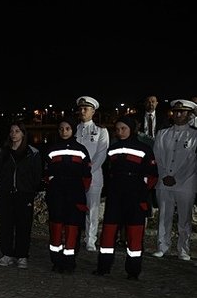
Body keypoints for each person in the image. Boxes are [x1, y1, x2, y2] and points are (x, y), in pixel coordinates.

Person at [93, 116, 158, 279]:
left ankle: (133, 271)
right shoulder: (112, 149)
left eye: (124, 128)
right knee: (108, 234)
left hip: (135, 198)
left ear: (131, 129)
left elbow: (152, 175)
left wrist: (141, 193)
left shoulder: (144, 149)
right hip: (115, 197)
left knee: (134, 236)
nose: (120, 132)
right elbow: (108, 172)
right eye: (117, 129)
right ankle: (103, 267)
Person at [42, 117, 92, 273]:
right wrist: (52, 186)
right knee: (56, 228)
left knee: (72, 229)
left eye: (67, 128)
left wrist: (78, 189)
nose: (64, 131)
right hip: (56, 194)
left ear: (73, 130)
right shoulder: (51, 149)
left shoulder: (81, 150)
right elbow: (46, 173)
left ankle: (69, 262)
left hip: (75, 194)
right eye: (61, 129)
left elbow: (87, 175)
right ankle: (56, 261)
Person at [152, 99, 197, 261]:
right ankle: (162, 246)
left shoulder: (194, 135)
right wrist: (165, 175)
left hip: (186, 183)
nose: (178, 115)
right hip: (164, 181)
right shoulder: (162, 133)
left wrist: (177, 177)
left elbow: (192, 161)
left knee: (184, 218)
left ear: (189, 114)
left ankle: (183, 249)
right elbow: (157, 156)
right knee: (164, 216)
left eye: (182, 112)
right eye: (176, 112)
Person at [0, 121, 43, 268]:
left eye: (17, 131)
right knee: (5, 225)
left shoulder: (32, 152)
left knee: (24, 226)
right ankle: (7, 254)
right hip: (6, 194)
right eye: (12, 131)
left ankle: (22, 255)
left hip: (24, 194)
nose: (13, 134)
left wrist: (30, 189)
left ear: (23, 133)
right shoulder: (3, 151)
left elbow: (37, 174)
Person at [74, 96, 110, 252]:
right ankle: (74, 237)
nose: (82, 111)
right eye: (81, 108)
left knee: (92, 209)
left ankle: (90, 240)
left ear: (93, 111)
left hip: (93, 176)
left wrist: (87, 171)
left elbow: (101, 154)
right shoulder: (73, 129)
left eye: (86, 109)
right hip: (74, 176)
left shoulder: (101, 131)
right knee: (74, 208)